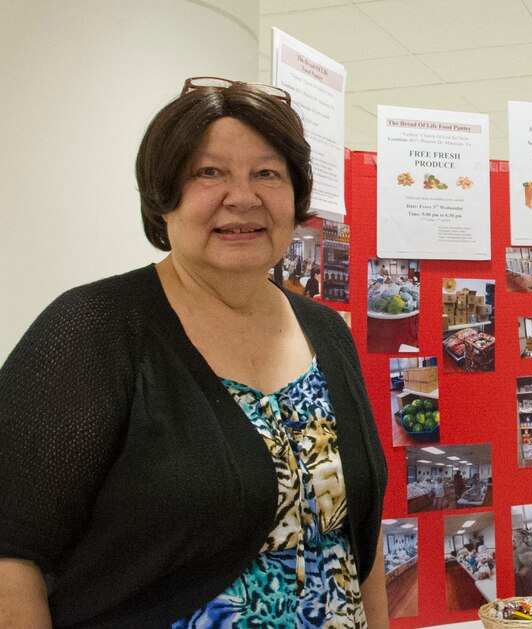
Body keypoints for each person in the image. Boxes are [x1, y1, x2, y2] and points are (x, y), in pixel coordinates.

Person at [0, 78, 390, 628]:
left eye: (267, 173)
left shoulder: (326, 331)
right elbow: (12, 553)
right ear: (163, 196)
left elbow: (356, 536)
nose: (244, 197)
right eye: (209, 172)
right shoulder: (97, 327)